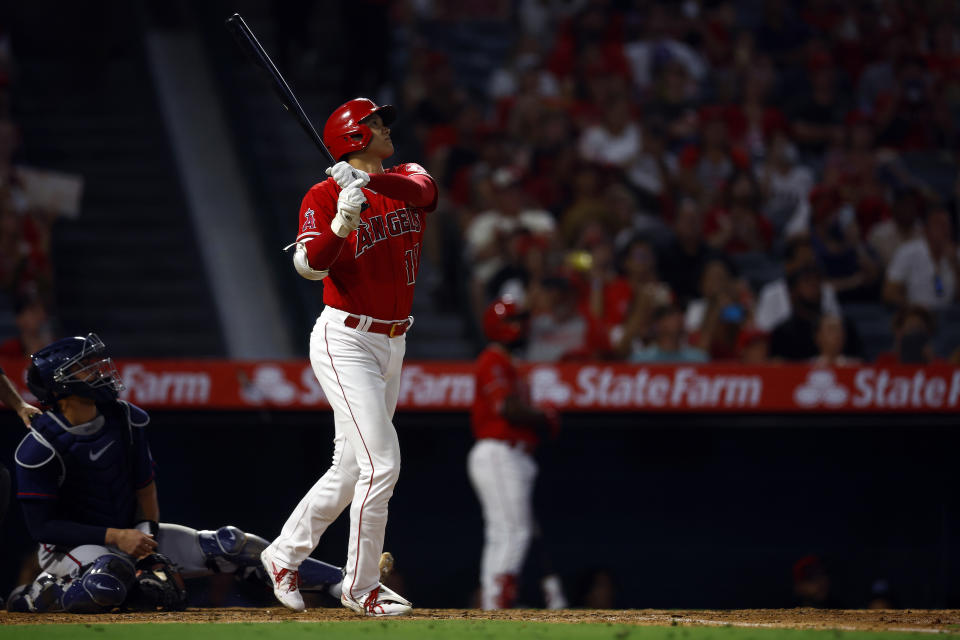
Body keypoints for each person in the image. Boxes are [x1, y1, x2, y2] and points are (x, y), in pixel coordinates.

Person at [7, 334, 346, 613]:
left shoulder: (126, 418)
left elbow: (145, 488)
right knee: (108, 582)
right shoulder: (38, 448)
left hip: (132, 533)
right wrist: (117, 538)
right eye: (83, 368)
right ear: (59, 387)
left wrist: (145, 538)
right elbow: (43, 528)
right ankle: (38, 595)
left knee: (231, 544)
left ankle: (341, 581)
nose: (98, 372)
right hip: (72, 549)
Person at [265, 98, 438, 616]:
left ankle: (283, 553)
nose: (385, 128)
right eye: (374, 124)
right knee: (382, 463)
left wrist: (368, 185)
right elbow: (309, 268)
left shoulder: (404, 174)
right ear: (353, 138)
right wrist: (343, 219)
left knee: (349, 468)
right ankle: (360, 587)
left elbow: (425, 192)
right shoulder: (321, 195)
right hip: (346, 339)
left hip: (393, 341)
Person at [468, 298, 564, 610]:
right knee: (515, 531)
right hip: (500, 452)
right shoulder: (493, 359)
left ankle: (493, 603)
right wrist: (543, 416)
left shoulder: (510, 364)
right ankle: (500, 598)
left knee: (501, 532)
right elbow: (507, 409)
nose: (522, 326)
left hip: (511, 455)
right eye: (515, 320)